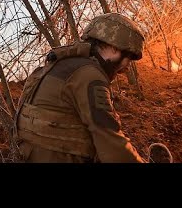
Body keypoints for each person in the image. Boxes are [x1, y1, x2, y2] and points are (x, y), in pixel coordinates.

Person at [14, 12, 146, 163]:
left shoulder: (63, 65)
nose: (127, 65)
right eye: (128, 57)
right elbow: (109, 139)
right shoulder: (89, 75)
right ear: (114, 48)